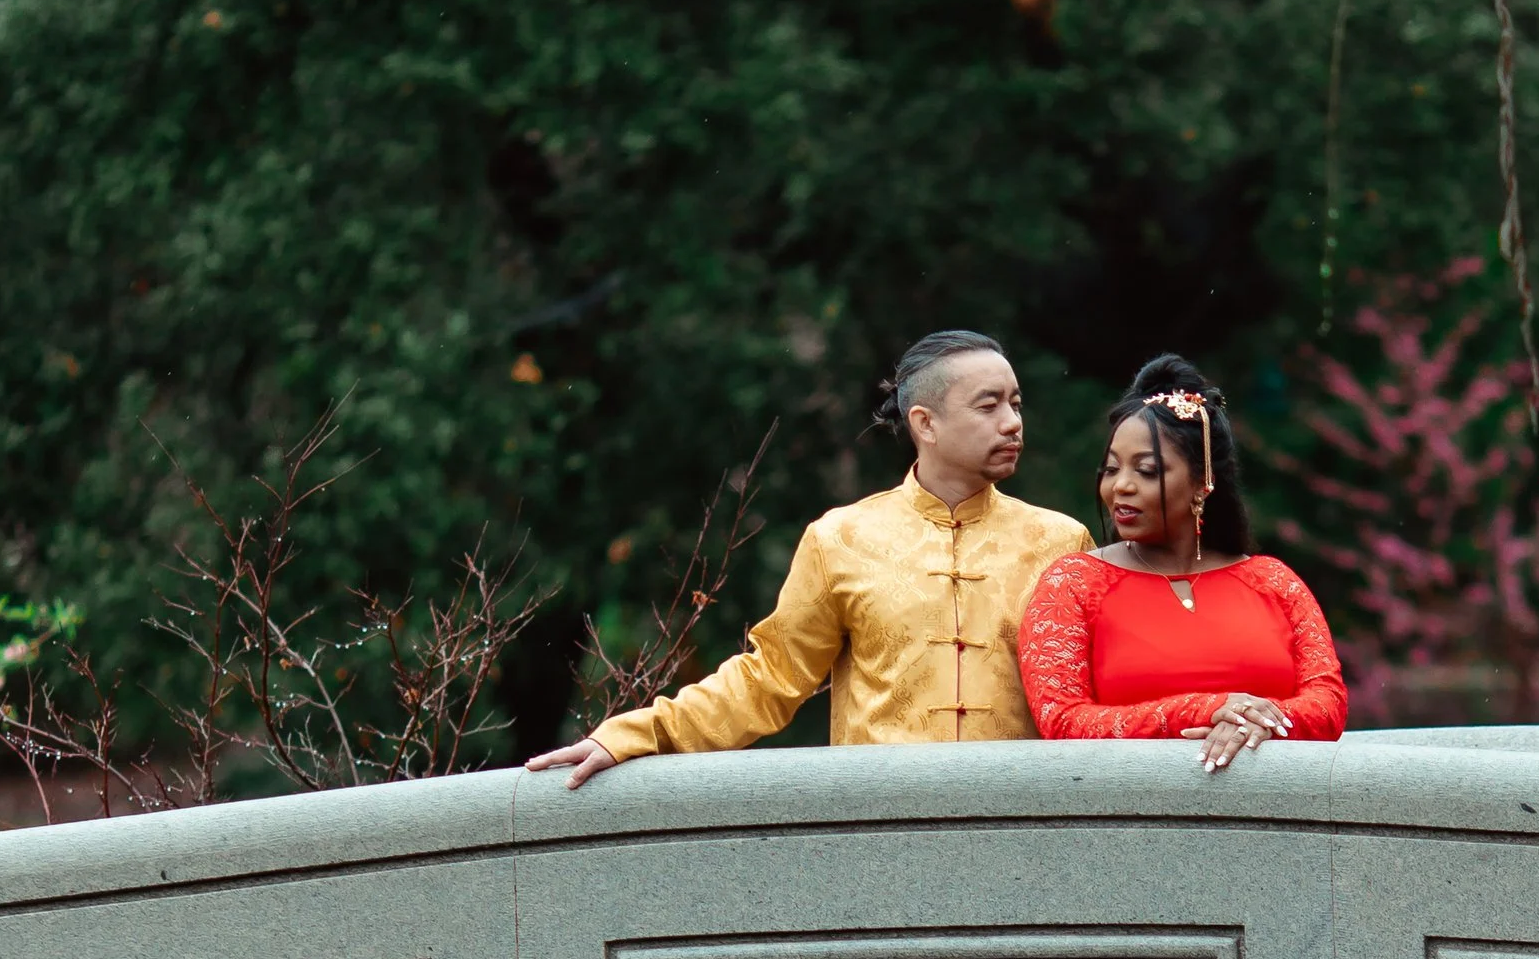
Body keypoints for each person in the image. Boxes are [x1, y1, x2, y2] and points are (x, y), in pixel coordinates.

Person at [528, 332, 1091, 786]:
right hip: (883, 820)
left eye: (1016, 404)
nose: (1012, 422)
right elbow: (770, 678)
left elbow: (1100, 689)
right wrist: (633, 735)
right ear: (925, 423)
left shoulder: (1061, 541)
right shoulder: (842, 538)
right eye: (988, 406)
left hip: (1021, 818)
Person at [1014, 356, 1346, 771]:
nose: (1121, 486)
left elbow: (1328, 702)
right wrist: (1206, 710)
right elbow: (1061, 720)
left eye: (1147, 470)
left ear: (1203, 482)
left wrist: (1254, 722)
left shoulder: (1274, 581)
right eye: (1111, 469)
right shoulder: (1073, 583)